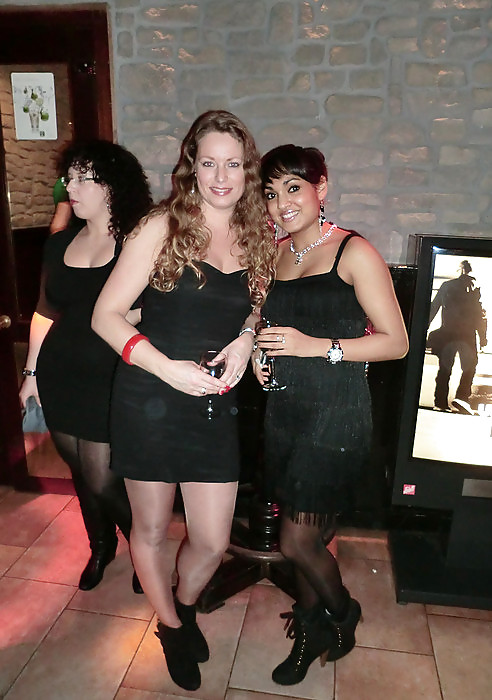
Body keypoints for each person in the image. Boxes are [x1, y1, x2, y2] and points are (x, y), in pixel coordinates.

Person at [92, 110, 276, 691]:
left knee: (213, 540)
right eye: (209, 163)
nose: (221, 177)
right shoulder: (161, 226)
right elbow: (105, 316)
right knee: (149, 530)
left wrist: (246, 338)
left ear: (247, 171)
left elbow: (255, 305)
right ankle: (171, 627)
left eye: (233, 164)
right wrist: (166, 368)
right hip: (150, 394)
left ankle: (186, 605)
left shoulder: (256, 233)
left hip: (212, 404)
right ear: (191, 167)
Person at [254, 144, 408, 686]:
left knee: (296, 540)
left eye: (293, 188)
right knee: (310, 539)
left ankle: (343, 613)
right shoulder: (276, 254)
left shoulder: (353, 252)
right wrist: (259, 352)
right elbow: (260, 318)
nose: (282, 203)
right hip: (286, 412)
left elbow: (396, 343)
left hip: (335, 416)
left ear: (322, 188)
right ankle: (310, 624)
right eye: (271, 193)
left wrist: (315, 347)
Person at [19, 139, 153, 593]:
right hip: (59, 373)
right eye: (68, 178)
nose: (69, 188)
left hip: (110, 377)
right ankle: (101, 546)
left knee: (102, 475)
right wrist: (30, 374)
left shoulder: (137, 244)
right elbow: (44, 312)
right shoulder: (59, 244)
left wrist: (123, 317)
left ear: (111, 186)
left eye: (81, 179)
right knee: (80, 473)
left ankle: (145, 550)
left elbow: (159, 308)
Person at [428, 259, 487, 414]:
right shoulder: (474, 289)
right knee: (470, 367)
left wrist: (424, 327)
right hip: (467, 334)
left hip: (447, 332)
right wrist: (483, 338)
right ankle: (461, 398)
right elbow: (480, 316)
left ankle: (440, 402)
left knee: (445, 368)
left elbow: (434, 307)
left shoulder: (447, 286)